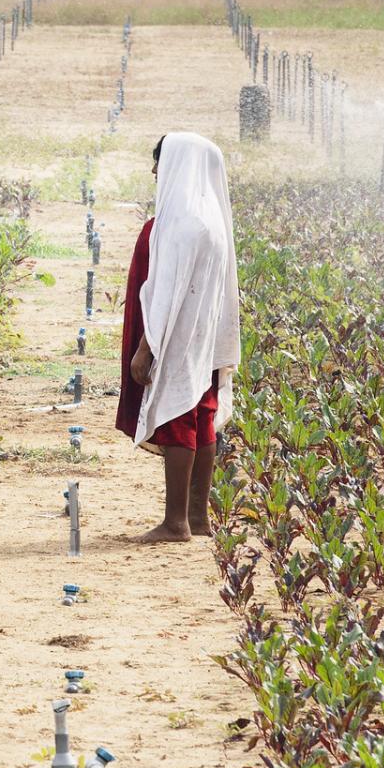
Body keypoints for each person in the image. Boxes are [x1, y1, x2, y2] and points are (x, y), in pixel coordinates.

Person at [113, 132, 241, 542]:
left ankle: (175, 522)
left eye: (159, 162)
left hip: (176, 335)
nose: (154, 171)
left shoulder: (178, 226)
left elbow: (164, 292)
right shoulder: (211, 222)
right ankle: (199, 518)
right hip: (202, 336)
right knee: (202, 416)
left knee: (177, 418)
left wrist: (146, 347)